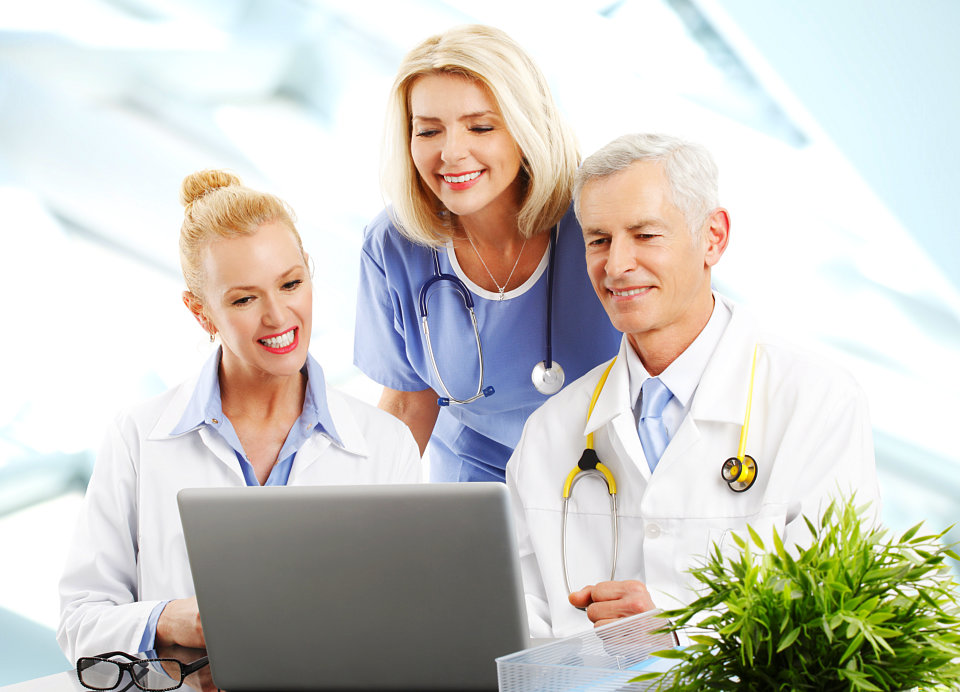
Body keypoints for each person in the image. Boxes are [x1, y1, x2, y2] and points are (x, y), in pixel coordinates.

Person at [505, 133, 880, 639]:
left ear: (714, 238)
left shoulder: (816, 402)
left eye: (645, 235)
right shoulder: (550, 433)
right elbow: (514, 626)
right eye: (599, 239)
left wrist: (682, 629)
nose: (616, 266)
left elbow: (839, 618)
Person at [58, 170, 421, 661]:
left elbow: (412, 620)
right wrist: (170, 618)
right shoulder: (139, 437)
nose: (278, 316)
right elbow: (81, 620)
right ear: (201, 312)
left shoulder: (385, 445)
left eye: (291, 284)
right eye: (245, 299)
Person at [354, 25, 621, 482]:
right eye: (429, 131)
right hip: (476, 480)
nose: (452, 153)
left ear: (526, 127)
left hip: (608, 473)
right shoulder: (394, 247)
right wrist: (350, 525)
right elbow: (406, 401)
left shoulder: (602, 216)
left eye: (480, 127)